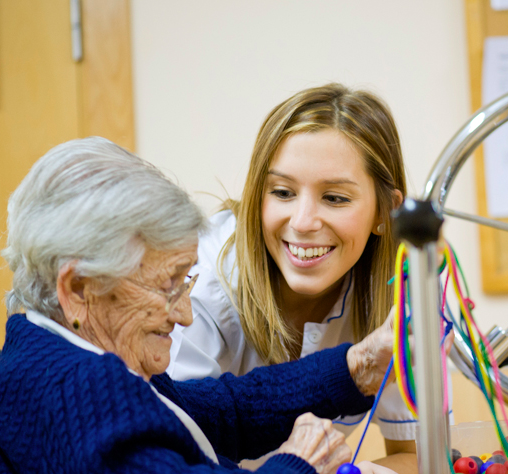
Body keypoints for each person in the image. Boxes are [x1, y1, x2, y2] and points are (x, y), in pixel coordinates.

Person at [0, 138, 398, 474]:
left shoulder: (53, 356)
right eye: (168, 285)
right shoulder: (83, 394)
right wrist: (300, 463)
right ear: (79, 288)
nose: (185, 313)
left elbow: (227, 409)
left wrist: (358, 367)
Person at [168, 84, 444, 472]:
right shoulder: (201, 283)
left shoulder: (402, 296)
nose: (302, 222)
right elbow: (175, 454)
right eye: (282, 192)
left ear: (388, 213)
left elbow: (422, 457)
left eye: (335, 198)